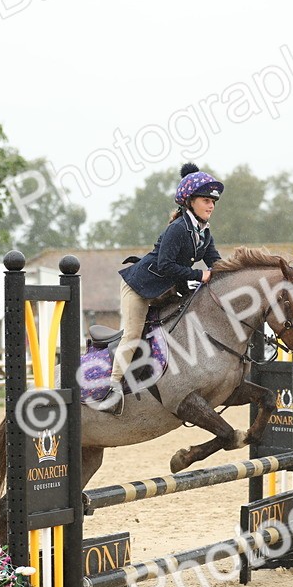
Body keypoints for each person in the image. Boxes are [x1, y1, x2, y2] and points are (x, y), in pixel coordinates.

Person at [97, 163, 224, 415]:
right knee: (133, 334)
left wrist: (232, 274)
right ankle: (112, 389)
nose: (210, 205)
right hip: (139, 286)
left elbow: (216, 263)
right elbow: (166, 265)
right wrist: (200, 274)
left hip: (166, 290)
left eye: (213, 201)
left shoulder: (204, 233)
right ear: (189, 201)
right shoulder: (177, 229)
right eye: (205, 200)